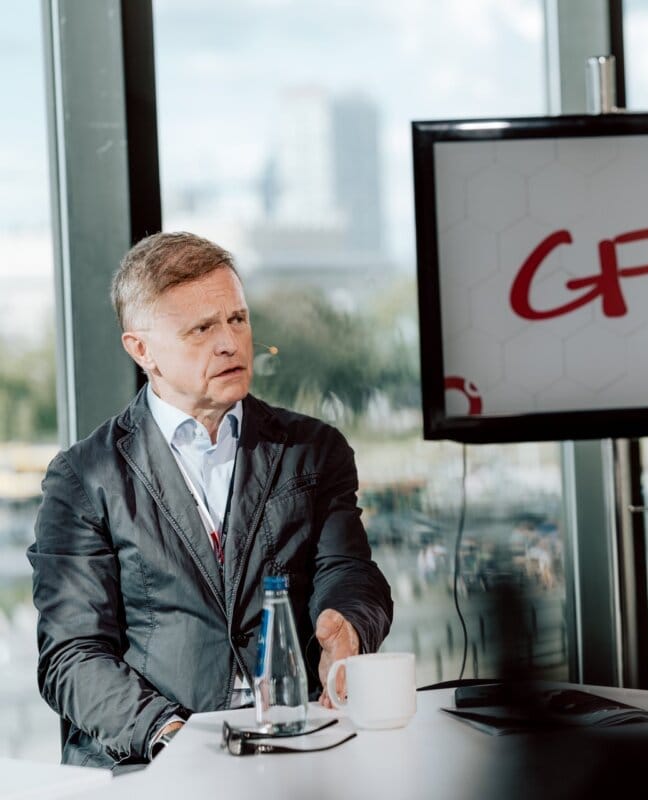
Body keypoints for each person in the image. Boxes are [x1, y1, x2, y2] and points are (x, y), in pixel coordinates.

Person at [28, 232, 394, 768]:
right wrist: (171, 733)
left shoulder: (313, 450)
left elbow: (350, 570)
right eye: (202, 328)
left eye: (238, 319)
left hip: (297, 746)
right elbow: (72, 655)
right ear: (141, 349)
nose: (229, 342)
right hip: (154, 764)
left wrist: (349, 621)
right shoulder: (85, 478)